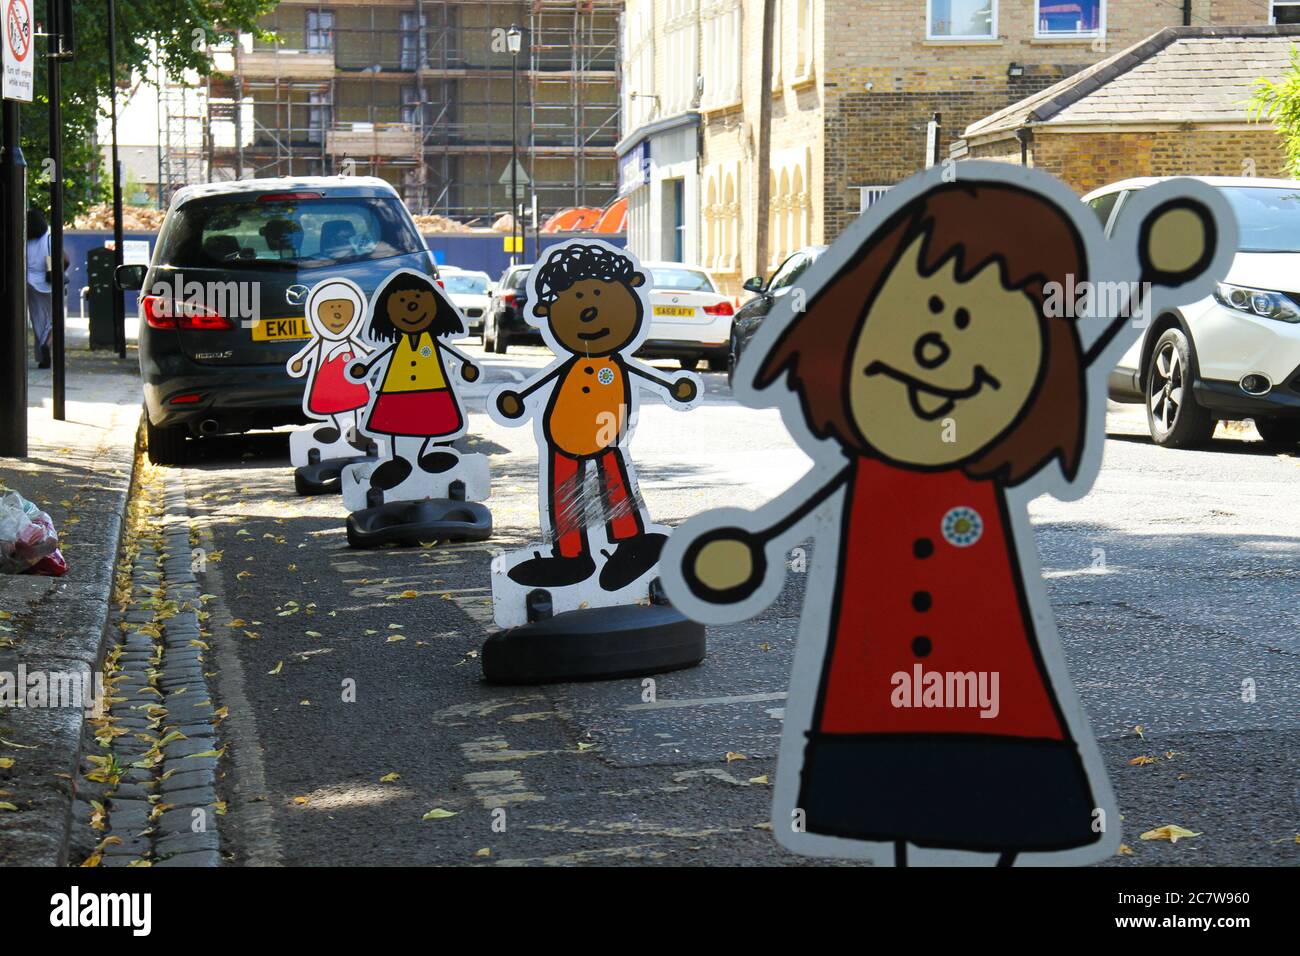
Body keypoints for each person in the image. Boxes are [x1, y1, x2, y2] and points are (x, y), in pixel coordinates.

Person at [668, 176, 1225, 865]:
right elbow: (793, 511)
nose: (937, 348)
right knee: (899, 813)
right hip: (876, 688)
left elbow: (1076, 354)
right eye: (924, 310)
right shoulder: (868, 467)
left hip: (989, 679)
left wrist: (1144, 276)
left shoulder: (984, 460)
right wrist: (751, 545)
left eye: (981, 327)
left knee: (990, 805)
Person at [492, 242, 699, 591]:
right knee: (564, 490)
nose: (589, 311)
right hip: (561, 433)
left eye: (601, 296)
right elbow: (541, 381)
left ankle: (632, 541)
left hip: (607, 431)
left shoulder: (616, 361)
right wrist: (517, 398)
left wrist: (673, 386)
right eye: (574, 301)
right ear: (548, 311)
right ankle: (571, 556)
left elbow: (644, 371)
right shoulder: (569, 363)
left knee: (615, 483)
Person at [347, 270, 480, 491]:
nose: (411, 307)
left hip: (433, 390)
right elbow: (379, 356)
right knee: (398, 425)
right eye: (401, 302)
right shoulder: (397, 343)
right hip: (395, 391)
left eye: (418, 300)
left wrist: (467, 367)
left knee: (429, 423)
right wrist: (365, 367)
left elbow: (456, 354)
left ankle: (425, 455)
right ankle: (400, 461)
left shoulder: (434, 341)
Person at [25, 208, 54, 369]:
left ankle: (42, 354)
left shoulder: (24, 238)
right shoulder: (49, 237)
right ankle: (48, 343)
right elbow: (61, 258)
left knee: (38, 319)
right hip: (47, 283)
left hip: (28, 282)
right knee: (55, 319)